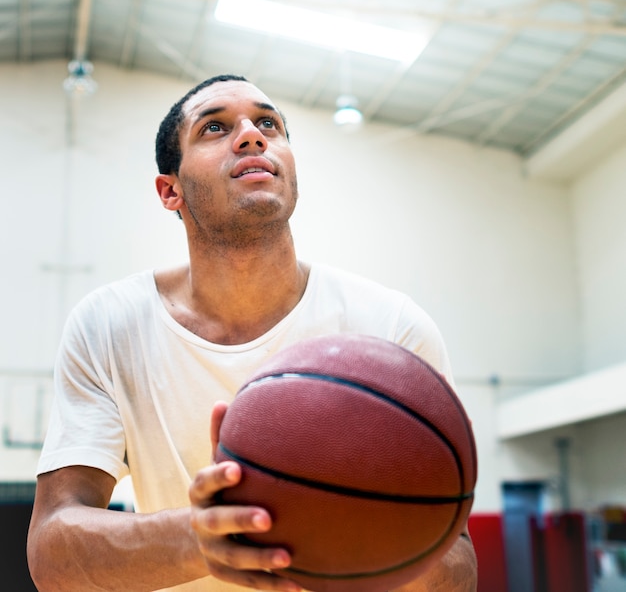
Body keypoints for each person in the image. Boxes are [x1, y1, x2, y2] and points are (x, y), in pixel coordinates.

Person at [27, 74, 478, 592]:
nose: (251, 135)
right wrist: (201, 536)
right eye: (215, 127)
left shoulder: (391, 327)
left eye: (269, 123)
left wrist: (362, 536)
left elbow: (459, 569)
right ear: (170, 190)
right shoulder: (109, 324)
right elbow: (51, 551)